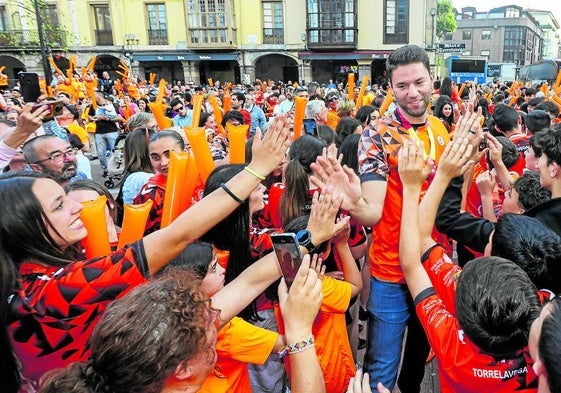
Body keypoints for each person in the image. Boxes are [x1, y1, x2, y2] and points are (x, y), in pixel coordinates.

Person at [0, 120, 292, 393]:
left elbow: (243, 286)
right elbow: (178, 235)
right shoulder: (60, 288)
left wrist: (309, 239)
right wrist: (256, 169)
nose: (76, 208)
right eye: (59, 206)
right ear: (24, 225)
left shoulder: (25, 284)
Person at [310, 44, 453, 390]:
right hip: (391, 272)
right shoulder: (377, 134)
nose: (412, 92)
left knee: (418, 360)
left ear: (432, 80)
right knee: (381, 372)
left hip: (433, 266)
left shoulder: (440, 129)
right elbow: (373, 211)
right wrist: (356, 204)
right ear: (391, 88)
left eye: (419, 82)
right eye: (402, 86)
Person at [398, 138, 542, 392]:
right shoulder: (543, 312)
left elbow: (415, 254)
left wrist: (415, 186)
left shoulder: (451, 341)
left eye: (490, 237)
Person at [133, 130, 186, 234]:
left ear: (185, 151)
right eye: (155, 157)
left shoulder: (203, 179)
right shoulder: (150, 195)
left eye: (169, 155)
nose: (163, 163)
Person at [89, 92, 123, 178]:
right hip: (99, 132)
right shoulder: (93, 106)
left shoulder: (113, 105)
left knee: (115, 151)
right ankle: (105, 170)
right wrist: (94, 118)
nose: (94, 97)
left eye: (95, 96)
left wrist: (108, 119)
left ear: (101, 96)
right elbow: (89, 116)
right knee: (100, 153)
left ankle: (118, 168)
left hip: (111, 131)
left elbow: (119, 117)